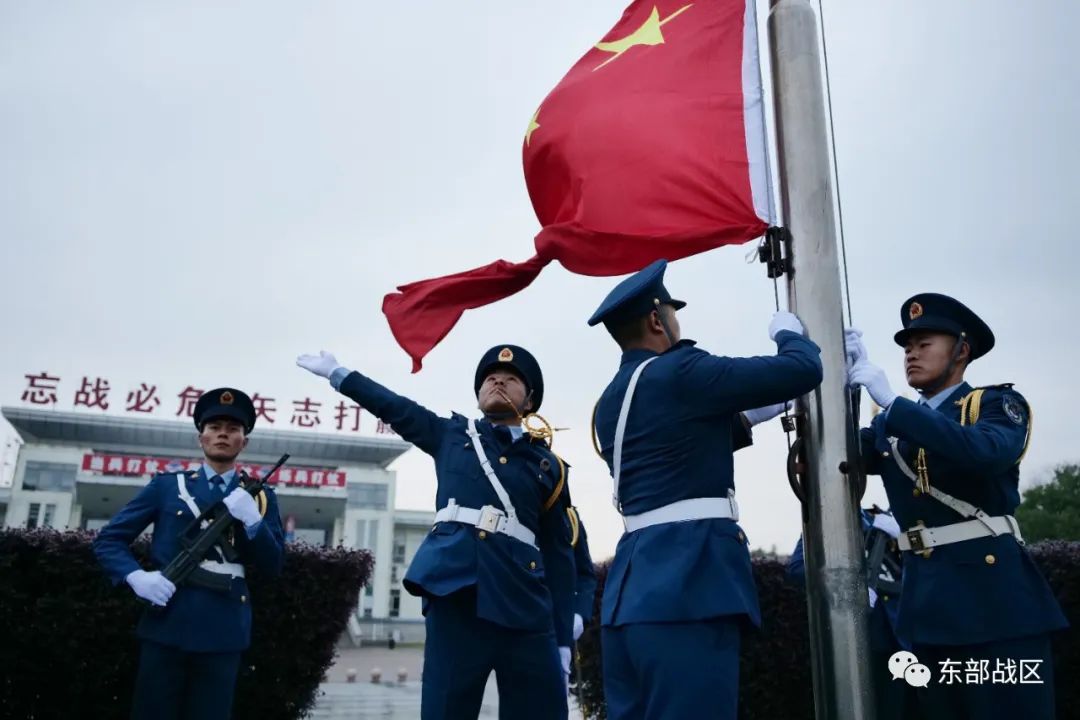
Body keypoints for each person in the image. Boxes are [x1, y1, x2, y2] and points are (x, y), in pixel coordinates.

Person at [587, 259, 824, 719]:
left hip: (630, 598)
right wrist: (789, 335)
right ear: (656, 319)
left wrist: (754, 413)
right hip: (688, 589)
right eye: (672, 312)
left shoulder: (611, 401)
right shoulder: (682, 370)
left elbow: (678, 444)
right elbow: (802, 369)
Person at [297, 345, 576, 720]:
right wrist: (340, 375)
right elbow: (395, 407)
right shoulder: (451, 435)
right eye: (490, 378)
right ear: (478, 395)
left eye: (511, 379)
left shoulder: (548, 465)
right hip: (456, 594)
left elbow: (559, 555)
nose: (498, 382)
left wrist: (562, 640)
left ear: (529, 401)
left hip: (526, 603)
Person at [846, 293, 1067, 719]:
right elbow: (837, 459)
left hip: (995, 608)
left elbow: (984, 452)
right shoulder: (890, 426)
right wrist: (840, 388)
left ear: (962, 351)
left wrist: (894, 404)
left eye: (924, 344)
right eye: (907, 347)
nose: (911, 354)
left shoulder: (993, 406)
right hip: (928, 610)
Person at [93, 388, 285, 720]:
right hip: (166, 625)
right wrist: (135, 576)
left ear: (244, 442)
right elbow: (109, 539)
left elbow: (274, 564)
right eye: (214, 427)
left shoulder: (259, 496)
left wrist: (253, 521)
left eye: (233, 429)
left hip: (224, 631)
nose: (223, 434)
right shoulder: (168, 486)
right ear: (201, 438)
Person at [787, 506, 918, 720]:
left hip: (897, 639)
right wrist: (853, 587)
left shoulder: (894, 521)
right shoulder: (826, 521)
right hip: (850, 638)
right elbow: (798, 569)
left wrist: (907, 541)